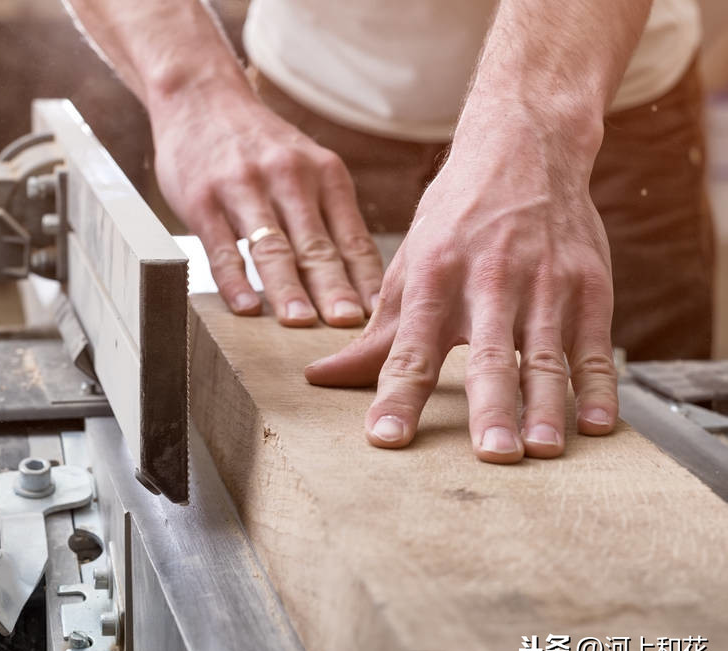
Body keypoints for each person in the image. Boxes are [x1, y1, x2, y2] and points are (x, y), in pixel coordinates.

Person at [64, 0, 711, 462]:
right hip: (320, 113)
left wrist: (539, 125)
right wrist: (191, 88)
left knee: (646, 439)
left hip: (591, 98)